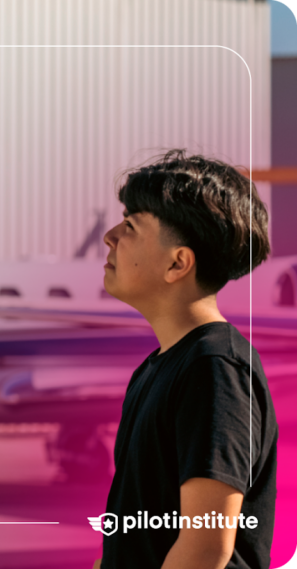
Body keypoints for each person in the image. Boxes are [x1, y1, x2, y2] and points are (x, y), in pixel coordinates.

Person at [94, 150, 277, 569]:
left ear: (178, 263)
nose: (110, 236)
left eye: (130, 225)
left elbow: (205, 547)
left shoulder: (216, 368)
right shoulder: (158, 367)